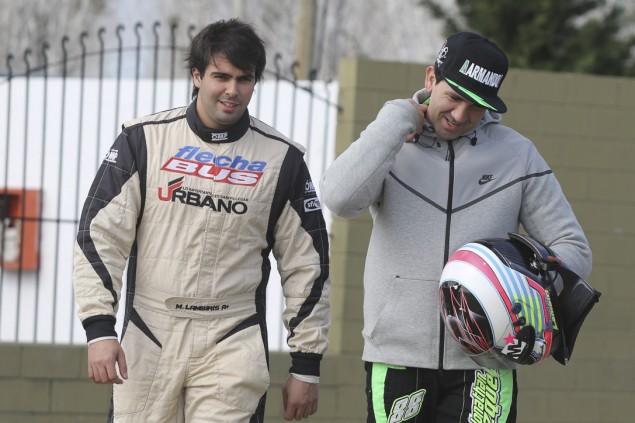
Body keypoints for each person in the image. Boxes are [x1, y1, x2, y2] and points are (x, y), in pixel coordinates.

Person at [319, 31, 592, 423]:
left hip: (487, 364)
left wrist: (520, 286)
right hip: (397, 355)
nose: (461, 115)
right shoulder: (393, 140)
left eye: (477, 105)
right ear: (431, 78)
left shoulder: (517, 154)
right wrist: (397, 118)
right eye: (454, 97)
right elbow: (339, 199)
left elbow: (573, 249)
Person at [73, 19, 330, 422]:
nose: (232, 90)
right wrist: (100, 328)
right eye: (220, 76)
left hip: (232, 337)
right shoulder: (142, 140)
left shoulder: (283, 160)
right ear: (197, 75)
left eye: (244, 79)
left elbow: (308, 266)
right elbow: (99, 237)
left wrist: (306, 364)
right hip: (150, 332)